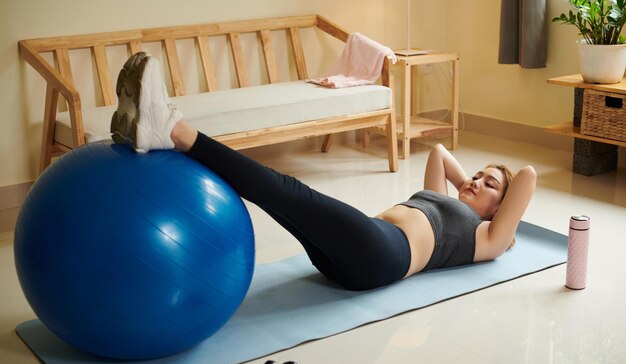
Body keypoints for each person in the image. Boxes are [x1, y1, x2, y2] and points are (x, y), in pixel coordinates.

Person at [110, 52, 537, 291]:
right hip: (352, 254)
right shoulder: (445, 201)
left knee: (285, 190)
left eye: (490, 184)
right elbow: (439, 152)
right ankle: (151, 129)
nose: (476, 181)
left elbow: (529, 176)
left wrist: (496, 200)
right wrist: (469, 185)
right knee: (277, 197)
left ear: (500, 211)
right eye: (478, 175)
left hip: (382, 255)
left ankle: (172, 129)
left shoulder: (487, 238)